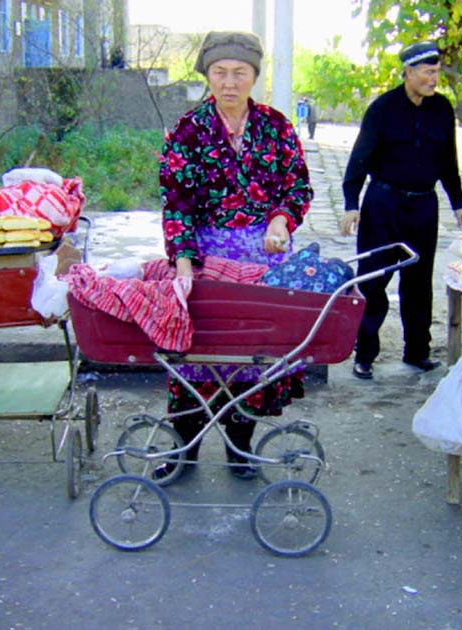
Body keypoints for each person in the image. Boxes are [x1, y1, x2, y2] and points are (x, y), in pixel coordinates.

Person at [159, 30, 313, 480]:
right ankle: (183, 448)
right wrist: (183, 263)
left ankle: (240, 447)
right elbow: (177, 203)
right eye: (220, 72)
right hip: (207, 262)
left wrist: (281, 220)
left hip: (264, 260)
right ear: (208, 75)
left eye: (239, 73)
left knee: (254, 357)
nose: (229, 82)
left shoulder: (276, 125)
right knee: (194, 353)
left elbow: (297, 185)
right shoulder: (189, 130)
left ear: (254, 77)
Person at [340, 41, 462, 379]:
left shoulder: (442, 109)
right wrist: (351, 204)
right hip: (383, 204)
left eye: (437, 72)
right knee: (374, 278)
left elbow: (449, 160)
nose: (434, 79)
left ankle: (417, 352)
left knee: (418, 281)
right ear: (408, 72)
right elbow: (360, 158)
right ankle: (364, 354)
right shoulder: (383, 108)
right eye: (428, 72)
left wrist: (458, 203)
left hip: (424, 205)